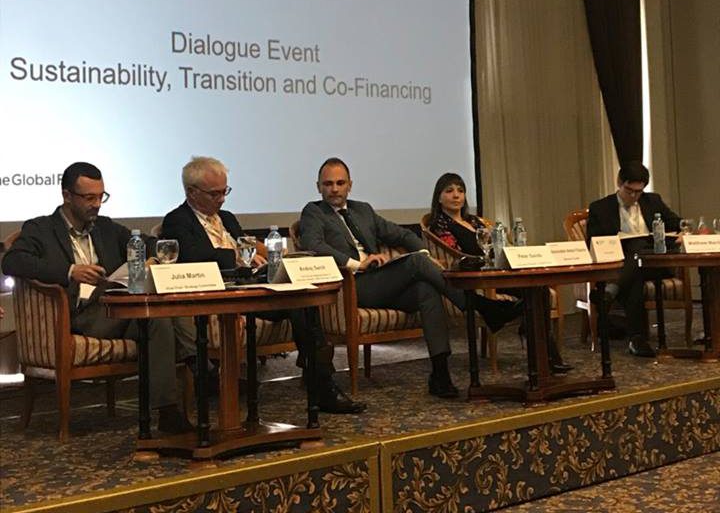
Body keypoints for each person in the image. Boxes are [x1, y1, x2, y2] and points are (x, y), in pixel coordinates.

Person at [299, 157, 522, 399]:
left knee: (426, 289)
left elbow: (403, 235)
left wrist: (426, 253)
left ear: (350, 185)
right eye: (328, 184)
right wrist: (357, 263)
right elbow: (314, 244)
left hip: (380, 280)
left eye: (340, 183)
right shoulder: (314, 212)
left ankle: (440, 374)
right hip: (353, 285)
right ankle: (479, 305)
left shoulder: (362, 210)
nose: (334, 189)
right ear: (318, 187)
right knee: (416, 262)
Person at [161, 156, 366, 414]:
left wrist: (268, 254)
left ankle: (321, 383)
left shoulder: (226, 218)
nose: (222, 199)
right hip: (220, 294)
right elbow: (193, 256)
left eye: (225, 191)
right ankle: (321, 383)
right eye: (215, 194)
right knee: (296, 303)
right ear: (191, 192)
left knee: (302, 301)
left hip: (253, 287)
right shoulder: (177, 220)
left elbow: (246, 244)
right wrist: (236, 256)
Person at [1, 162, 194, 434]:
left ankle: (169, 411)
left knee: (160, 316)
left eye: (101, 196)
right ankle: (200, 366)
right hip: (78, 314)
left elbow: (147, 243)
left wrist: (152, 257)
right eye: (89, 198)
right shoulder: (41, 228)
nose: (96, 204)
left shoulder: (105, 227)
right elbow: (13, 261)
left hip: (116, 307)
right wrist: (71, 271)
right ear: (67, 196)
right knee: (156, 316)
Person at [428, 172, 572, 374]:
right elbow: (457, 256)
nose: (456, 195)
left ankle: (544, 353)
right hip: (478, 278)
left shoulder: (475, 222)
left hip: (497, 271)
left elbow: (498, 247)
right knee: (534, 298)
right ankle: (546, 357)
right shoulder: (440, 225)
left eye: (460, 191)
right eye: (449, 191)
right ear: (439, 197)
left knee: (539, 290)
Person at [587, 161, 681, 358]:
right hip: (621, 263)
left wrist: (680, 232)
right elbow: (593, 241)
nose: (633, 196)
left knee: (639, 246)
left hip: (653, 263)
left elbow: (677, 223)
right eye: (629, 191)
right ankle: (637, 339)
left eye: (638, 192)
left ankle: (610, 291)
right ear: (619, 183)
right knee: (634, 275)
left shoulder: (653, 201)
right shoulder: (600, 208)